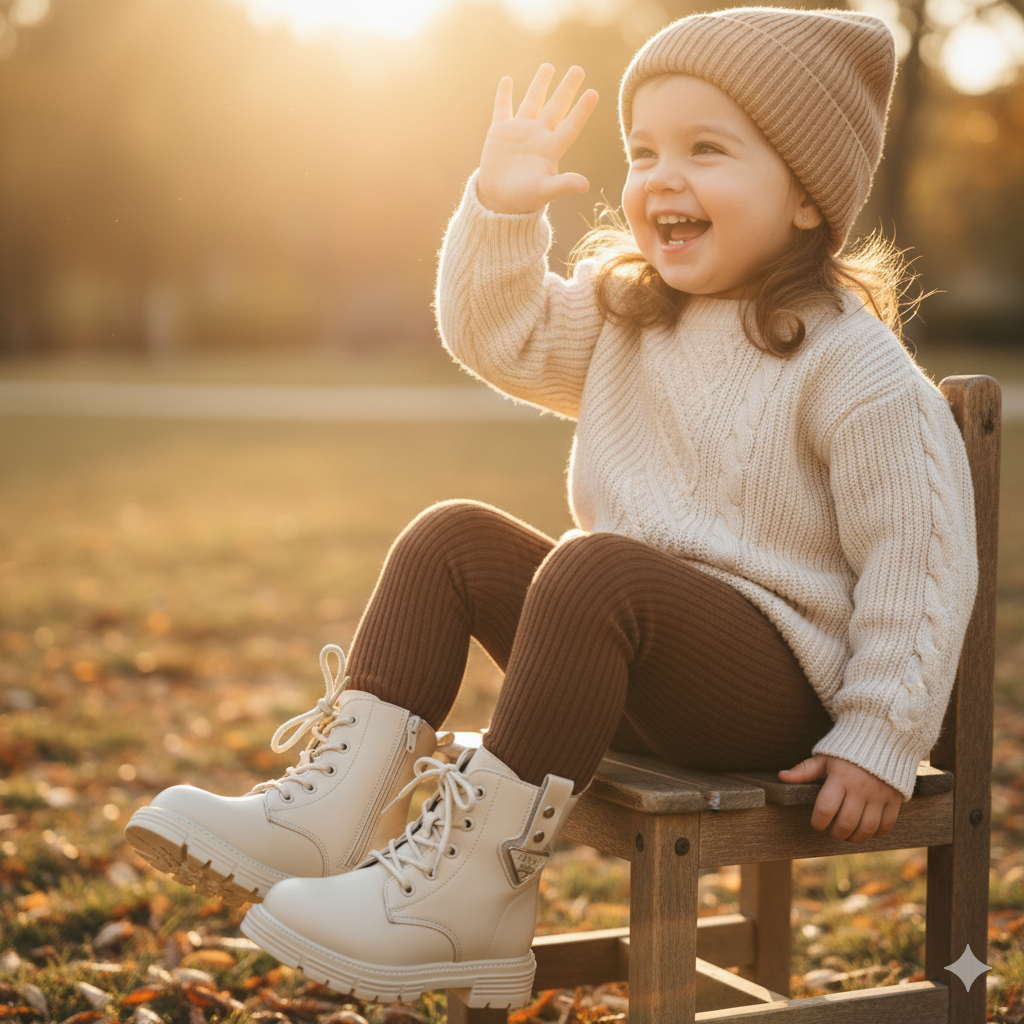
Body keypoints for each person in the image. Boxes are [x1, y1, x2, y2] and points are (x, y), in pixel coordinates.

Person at [125, 7, 979, 1009]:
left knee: (592, 565)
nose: (662, 177)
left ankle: (472, 894)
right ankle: (321, 819)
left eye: (705, 150)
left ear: (805, 197)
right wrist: (500, 204)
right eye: (644, 151)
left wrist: (877, 734)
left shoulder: (852, 365)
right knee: (452, 537)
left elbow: (920, 557)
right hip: (623, 658)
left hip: (777, 699)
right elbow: (498, 334)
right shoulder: (631, 313)